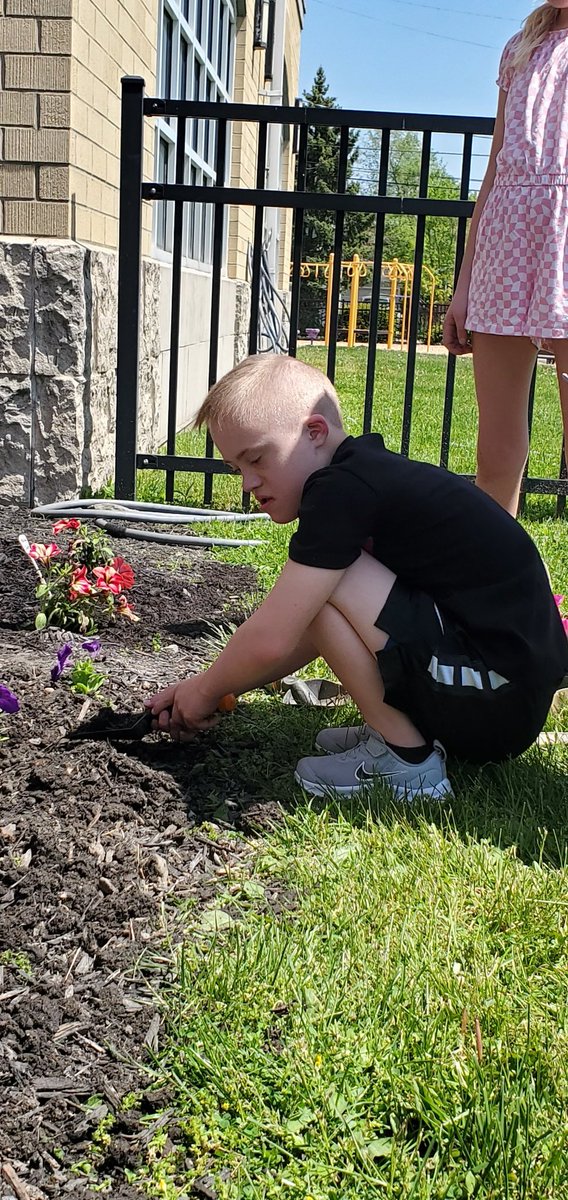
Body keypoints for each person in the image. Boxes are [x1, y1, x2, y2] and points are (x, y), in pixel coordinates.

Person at [146, 355, 568, 800]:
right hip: (502, 696)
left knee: (333, 580)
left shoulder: (340, 493)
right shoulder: (366, 476)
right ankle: (400, 731)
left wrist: (205, 690)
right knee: (321, 594)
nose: (248, 483)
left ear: (315, 432)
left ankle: (407, 759)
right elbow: (314, 633)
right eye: (237, 469)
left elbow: (273, 636)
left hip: (493, 698)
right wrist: (213, 688)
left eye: (257, 459)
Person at [443, 0, 568, 517]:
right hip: (506, 237)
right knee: (496, 452)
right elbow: (494, 166)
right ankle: (496, 592)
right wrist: (464, 283)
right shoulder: (520, 48)